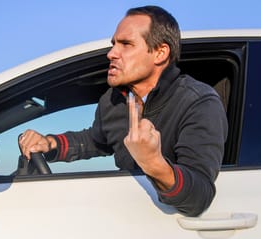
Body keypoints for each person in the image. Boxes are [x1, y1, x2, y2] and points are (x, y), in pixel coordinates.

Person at [18, 5, 228, 216]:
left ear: (160, 53)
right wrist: (51, 143)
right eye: (113, 44)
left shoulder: (198, 101)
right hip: (128, 217)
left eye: (126, 44)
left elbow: (199, 198)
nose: (111, 54)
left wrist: (153, 163)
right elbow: (96, 140)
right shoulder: (113, 100)